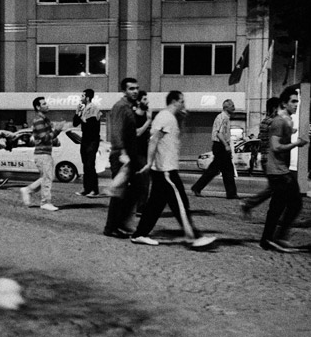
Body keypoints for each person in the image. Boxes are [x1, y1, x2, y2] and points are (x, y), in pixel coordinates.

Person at [129, 91, 217, 248]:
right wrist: (149, 163)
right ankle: (193, 237)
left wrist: (182, 118)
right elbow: (153, 140)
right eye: (182, 101)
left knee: (154, 205)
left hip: (163, 169)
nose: (184, 104)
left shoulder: (169, 118)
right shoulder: (166, 117)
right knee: (181, 202)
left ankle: (139, 234)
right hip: (166, 170)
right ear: (175, 101)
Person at [259, 86, 309, 252]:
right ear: (284, 103)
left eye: (297, 102)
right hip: (278, 172)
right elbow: (275, 146)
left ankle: (268, 239)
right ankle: (275, 238)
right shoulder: (279, 121)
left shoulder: (286, 120)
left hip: (280, 171)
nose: (296, 105)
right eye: (293, 102)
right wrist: (296, 143)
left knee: (280, 206)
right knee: (291, 204)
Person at [103, 77, 143, 238]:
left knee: (131, 191)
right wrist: (122, 153)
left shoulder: (130, 107)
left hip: (129, 155)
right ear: (123, 91)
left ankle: (121, 223)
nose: (135, 91)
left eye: (136, 88)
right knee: (119, 193)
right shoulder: (120, 106)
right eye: (131, 88)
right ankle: (111, 227)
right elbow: (117, 131)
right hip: (121, 155)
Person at [20, 96, 64, 211]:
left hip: (45, 153)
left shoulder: (45, 120)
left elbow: (48, 137)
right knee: (47, 178)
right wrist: (57, 131)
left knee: (47, 177)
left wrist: (55, 140)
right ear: (38, 107)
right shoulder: (39, 120)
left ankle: (28, 190)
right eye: (44, 104)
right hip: (42, 154)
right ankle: (45, 202)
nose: (47, 105)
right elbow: (44, 137)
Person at [240, 97, 280, 218]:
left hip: (265, 158)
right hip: (271, 159)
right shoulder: (273, 122)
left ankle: (250, 205)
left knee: (276, 188)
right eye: (279, 107)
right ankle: (248, 203)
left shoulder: (264, 121)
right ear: (274, 108)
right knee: (276, 188)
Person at [191, 99, 239, 199]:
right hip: (220, 145)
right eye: (232, 105)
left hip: (219, 146)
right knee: (222, 170)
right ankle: (231, 193)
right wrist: (226, 145)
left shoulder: (223, 117)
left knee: (222, 169)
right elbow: (219, 133)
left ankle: (231, 193)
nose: (234, 107)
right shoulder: (223, 118)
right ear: (226, 107)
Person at [72, 88, 102, 197]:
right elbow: (75, 123)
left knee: (90, 164)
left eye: (83, 96)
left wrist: (83, 118)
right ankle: (86, 189)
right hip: (85, 139)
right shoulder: (82, 109)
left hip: (92, 139)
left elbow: (92, 126)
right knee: (85, 164)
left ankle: (94, 190)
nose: (81, 98)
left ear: (88, 97)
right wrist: (78, 113)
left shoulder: (93, 108)